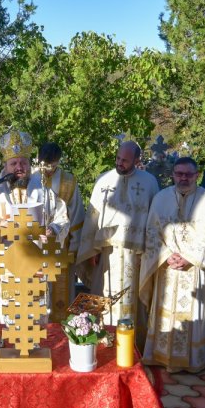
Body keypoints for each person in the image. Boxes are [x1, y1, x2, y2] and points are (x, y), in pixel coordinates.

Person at [0, 130, 69, 323]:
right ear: (5, 165)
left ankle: (37, 351)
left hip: (35, 263)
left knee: (36, 313)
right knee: (5, 313)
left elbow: (61, 218)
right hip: (3, 264)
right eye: (13, 163)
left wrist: (53, 230)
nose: (19, 167)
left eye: (23, 163)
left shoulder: (44, 192)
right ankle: (5, 350)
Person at [139, 158, 205, 372]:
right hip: (166, 269)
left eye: (188, 174)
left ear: (197, 175)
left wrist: (189, 257)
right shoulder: (160, 199)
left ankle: (192, 361)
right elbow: (151, 233)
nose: (183, 178)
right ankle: (160, 356)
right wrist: (167, 255)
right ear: (173, 174)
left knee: (193, 314)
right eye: (179, 173)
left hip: (196, 270)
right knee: (164, 313)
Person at [76, 140, 159, 337]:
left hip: (134, 255)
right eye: (118, 158)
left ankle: (134, 344)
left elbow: (153, 221)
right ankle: (101, 338)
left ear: (137, 160)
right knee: (103, 295)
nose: (120, 163)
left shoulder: (149, 183)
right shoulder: (104, 180)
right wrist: (90, 251)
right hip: (106, 253)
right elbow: (92, 218)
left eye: (125, 160)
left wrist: (147, 254)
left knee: (131, 301)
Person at [33, 142, 85, 321]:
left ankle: (60, 334)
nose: (48, 170)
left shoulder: (68, 181)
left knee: (60, 295)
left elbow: (76, 214)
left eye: (53, 166)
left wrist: (75, 246)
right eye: (44, 165)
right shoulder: (30, 178)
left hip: (61, 246)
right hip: (34, 248)